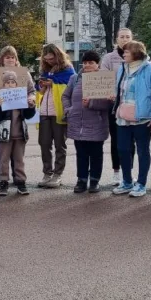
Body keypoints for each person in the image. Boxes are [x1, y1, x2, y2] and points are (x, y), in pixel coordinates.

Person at [110, 41, 151, 198]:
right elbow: (119, 90)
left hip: (143, 119)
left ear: (136, 53)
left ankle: (141, 184)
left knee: (142, 151)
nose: (124, 54)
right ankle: (127, 181)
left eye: (127, 51)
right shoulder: (122, 69)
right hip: (122, 118)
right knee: (123, 149)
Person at [62, 50, 112, 194]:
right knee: (81, 154)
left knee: (96, 154)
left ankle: (95, 180)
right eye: (85, 63)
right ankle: (81, 180)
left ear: (98, 64)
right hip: (78, 123)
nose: (87, 65)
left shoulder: (104, 79)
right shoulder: (74, 78)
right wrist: (68, 110)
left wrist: (91, 103)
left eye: (91, 62)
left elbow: (109, 104)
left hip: (97, 123)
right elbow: (65, 96)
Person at [0, 46, 36, 186]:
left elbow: (32, 91)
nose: (10, 59)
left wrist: (31, 99)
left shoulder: (24, 73)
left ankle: (17, 177)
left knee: (17, 152)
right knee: (0, 149)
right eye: (7, 57)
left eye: (12, 57)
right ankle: (1, 177)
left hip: (17, 119)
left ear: (16, 59)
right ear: (2, 59)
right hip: (1, 119)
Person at [36, 43, 76, 188]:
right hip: (44, 112)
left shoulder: (68, 69)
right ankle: (47, 173)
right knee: (44, 143)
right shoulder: (44, 70)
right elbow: (38, 90)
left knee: (60, 144)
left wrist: (53, 83)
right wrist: (41, 85)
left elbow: (71, 88)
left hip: (58, 111)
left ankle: (57, 174)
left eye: (51, 58)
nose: (49, 61)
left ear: (58, 56)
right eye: (46, 59)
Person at [101, 27, 135, 185]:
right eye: (122, 36)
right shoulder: (109, 58)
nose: (125, 39)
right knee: (116, 139)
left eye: (128, 36)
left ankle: (129, 171)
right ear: (117, 39)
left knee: (131, 140)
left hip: (132, 105)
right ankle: (116, 171)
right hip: (114, 106)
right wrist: (109, 92)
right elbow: (103, 78)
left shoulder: (137, 56)